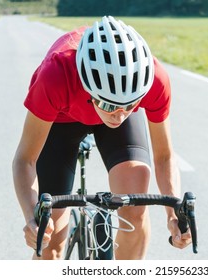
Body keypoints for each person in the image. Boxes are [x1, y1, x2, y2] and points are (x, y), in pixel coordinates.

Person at [12, 16, 191, 260]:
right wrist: (32, 218)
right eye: (108, 104)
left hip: (106, 112)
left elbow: (163, 156)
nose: (119, 115)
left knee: (135, 207)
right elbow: (25, 159)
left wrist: (173, 215)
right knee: (50, 238)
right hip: (62, 119)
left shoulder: (154, 79)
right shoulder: (55, 76)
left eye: (131, 104)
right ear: (86, 86)